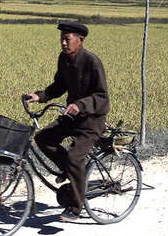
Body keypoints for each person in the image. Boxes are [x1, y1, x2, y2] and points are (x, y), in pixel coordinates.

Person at [24, 21, 109, 221]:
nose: (63, 42)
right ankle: (69, 170)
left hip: (92, 120)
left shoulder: (91, 62)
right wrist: (40, 96)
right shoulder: (64, 59)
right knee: (44, 138)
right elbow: (59, 85)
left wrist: (81, 105)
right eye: (61, 38)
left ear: (80, 40)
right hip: (72, 116)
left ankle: (75, 207)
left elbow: (102, 96)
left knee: (75, 157)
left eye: (67, 39)